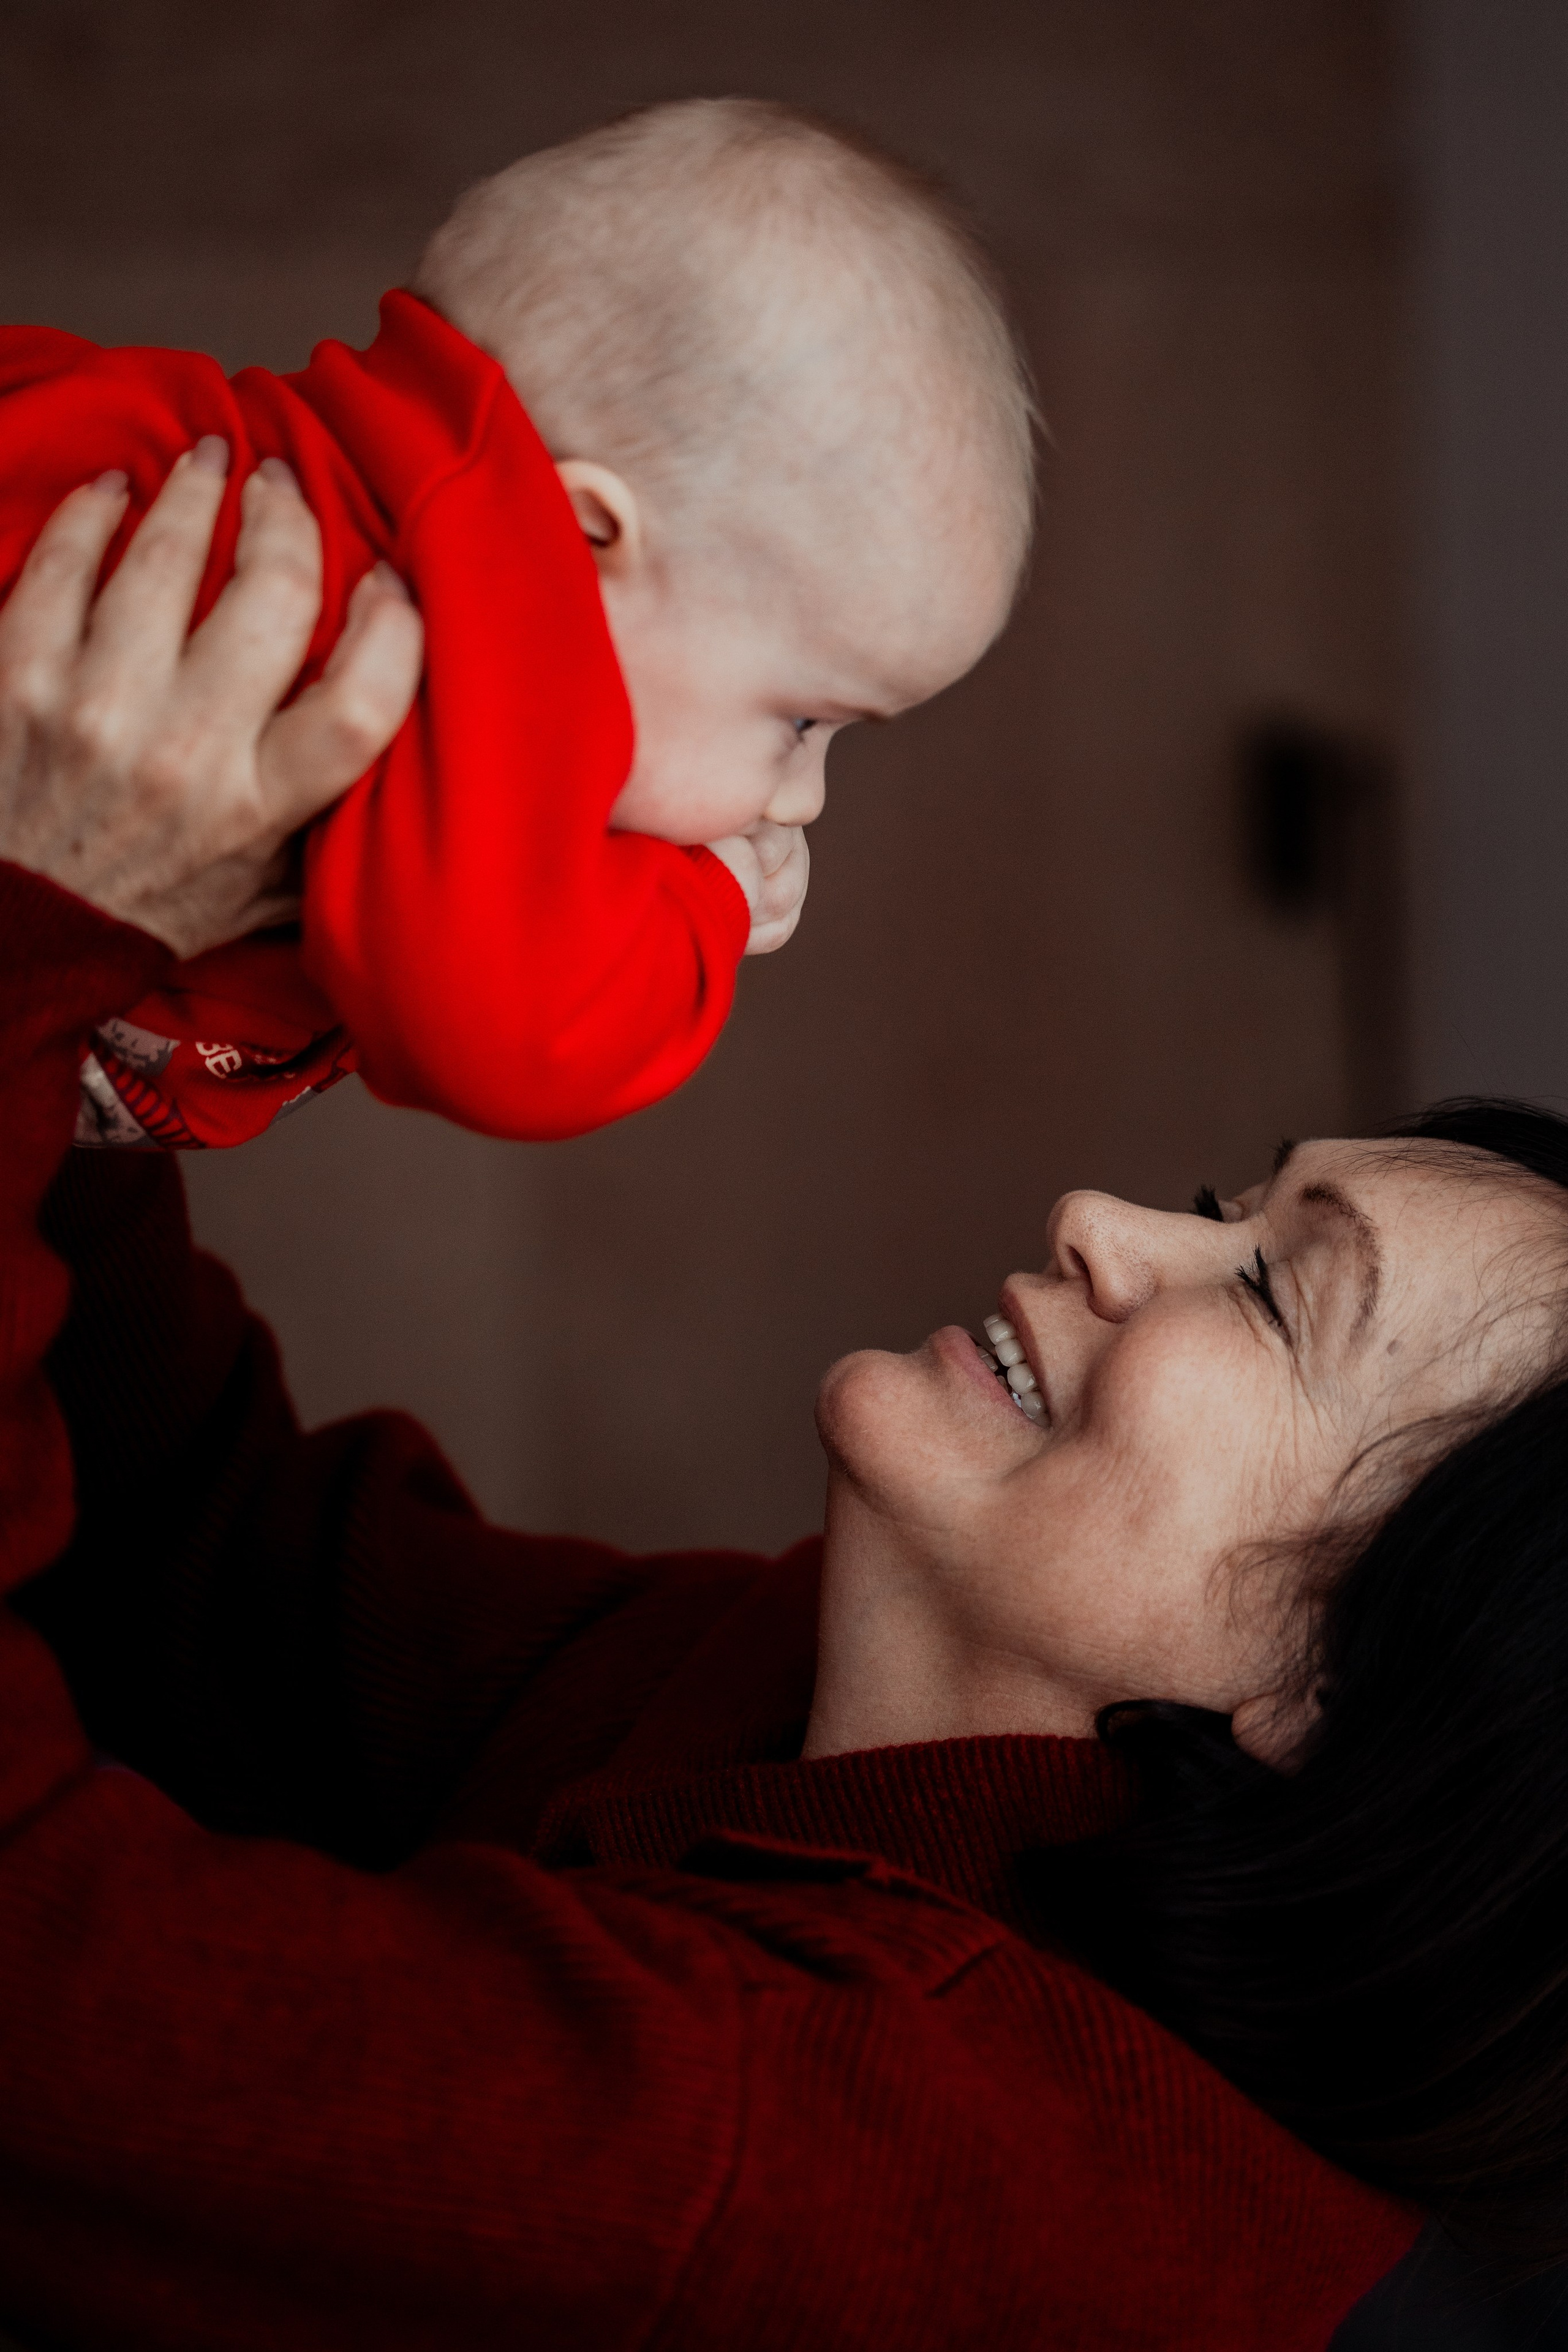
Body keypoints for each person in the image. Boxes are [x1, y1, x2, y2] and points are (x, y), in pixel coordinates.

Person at [1, 477, 1559, 2352]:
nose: (1105, 1224)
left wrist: (39, 924)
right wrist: (146, 984)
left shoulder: (873, 2160)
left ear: (1348, 1702)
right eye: (1232, 1204)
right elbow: (205, 1561)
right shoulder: (835, 1723)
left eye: (1273, 1290)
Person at [0, 97, 1028, 1150]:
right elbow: (523, 1042)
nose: (797, 800)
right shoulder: (492, 597)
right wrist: (703, 907)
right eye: (803, 724)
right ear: (583, 535)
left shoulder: (238, 468)